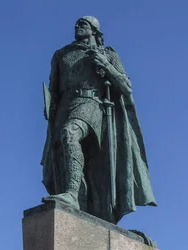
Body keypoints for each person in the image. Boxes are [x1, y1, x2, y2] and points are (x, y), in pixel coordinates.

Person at [41, 16, 157, 224]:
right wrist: (50, 108)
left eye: (83, 24)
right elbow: (54, 89)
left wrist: (106, 65)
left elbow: (126, 87)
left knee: (70, 133)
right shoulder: (61, 55)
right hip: (65, 106)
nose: (77, 27)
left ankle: (71, 195)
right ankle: (82, 201)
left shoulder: (107, 54)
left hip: (91, 103)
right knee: (65, 155)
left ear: (95, 30)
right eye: (77, 24)